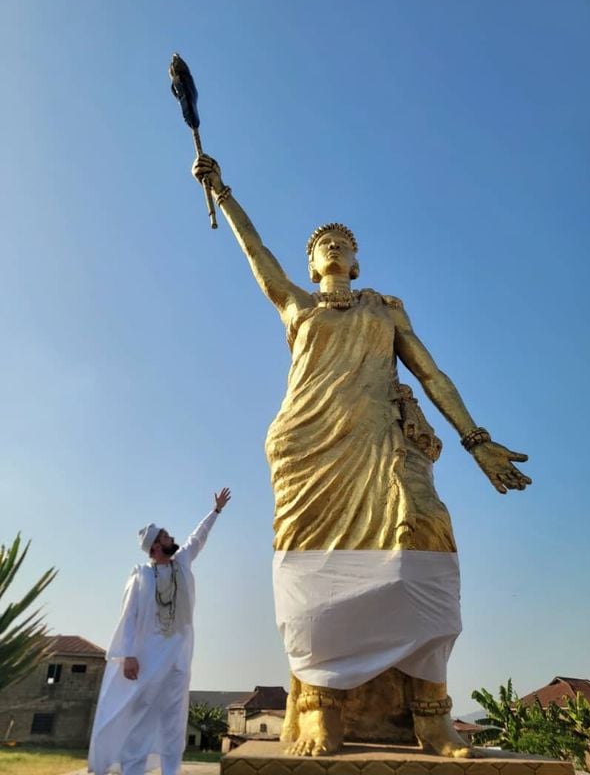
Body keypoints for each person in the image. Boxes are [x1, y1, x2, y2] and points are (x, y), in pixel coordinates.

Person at [191, 154, 531, 759]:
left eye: (343, 242)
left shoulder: (385, 309)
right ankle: (322, 710)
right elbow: (255, 253)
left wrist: (476, 440)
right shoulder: (297, 306)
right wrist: (222, 191)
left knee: (426, 543)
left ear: (356, 259)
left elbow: (432, 373)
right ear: (312, 263)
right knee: (313, 575)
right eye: (323, 243)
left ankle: (432, 717)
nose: (333, 247)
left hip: (379, 445)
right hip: (307, 451)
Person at [88, 487, 231, 775]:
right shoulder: (141, 576)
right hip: (149, 657)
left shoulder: (182, 563)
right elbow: (129, 616)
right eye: (165, 537)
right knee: (142, 715)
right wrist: (128, 654)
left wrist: (215, 511)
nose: (171, 539)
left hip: (178, 657)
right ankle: (132, 769)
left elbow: (197, 538)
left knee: (173, 717)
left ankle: (170, 770)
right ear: (155, 546)